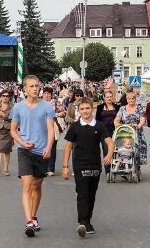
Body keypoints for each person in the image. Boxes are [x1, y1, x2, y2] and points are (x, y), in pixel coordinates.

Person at [9, 75, 55, 238]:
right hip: (25, 151)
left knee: (37, 185)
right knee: (27, 185)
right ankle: (29, 221)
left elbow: (51, 129)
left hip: (41, 151)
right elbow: (13, 130)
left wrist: (49, 147)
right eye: (32, 86)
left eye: (37, 86)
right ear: (25, 89)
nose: (35, 89)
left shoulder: (47, 107)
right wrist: (22, 141)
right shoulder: (18, 108)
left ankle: (34, 217)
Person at [61, 97, 112, 238]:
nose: (85, 111)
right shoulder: (75, 127)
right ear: (79, 110)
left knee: (91, 195)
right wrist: (65, 166)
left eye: (87, 108)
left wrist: (109, 155)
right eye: (82, 109)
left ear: (92, 109)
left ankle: (88, 221)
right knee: (82, 194)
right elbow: (68, 147)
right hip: (80, 165)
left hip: (95, 165)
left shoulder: (100, 126)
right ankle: (82, 222)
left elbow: (109, 142)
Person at [114, 92, 147, 168]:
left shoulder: (139, 108)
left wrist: (138, 125)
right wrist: (117, 124)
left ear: (135, 99)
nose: (131, 100)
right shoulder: (122, 108)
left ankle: (136, 167)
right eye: (129, 98)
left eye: (133, 98)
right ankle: (122, 165)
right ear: (126, 99)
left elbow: (142, 119)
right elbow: (117, 119)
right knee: (124, 149)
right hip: (125, 132)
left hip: (136, 131)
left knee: (137, 150)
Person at [95, 89, 119, 183]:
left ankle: (117, 169)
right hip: (104, 132)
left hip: (115, 132)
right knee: (106, 151)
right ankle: (108, 171)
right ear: (104, 98)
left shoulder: (117, 107)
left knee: (117, 150)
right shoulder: (100, 107)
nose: (109, 98)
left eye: (110, 97)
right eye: (107, 97)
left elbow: (120, 118)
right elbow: (97, 120)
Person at [43, 86, 65, 177]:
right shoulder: (39, 103)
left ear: (51, 95)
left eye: (48, 93)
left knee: (52, 148)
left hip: (54, 127)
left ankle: (50, 168)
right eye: (45, 93)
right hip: (42, 128)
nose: (46, 95)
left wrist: (57, 114)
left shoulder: (56, 103)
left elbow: (63, 113)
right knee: (42, 148)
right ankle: (43, 168)